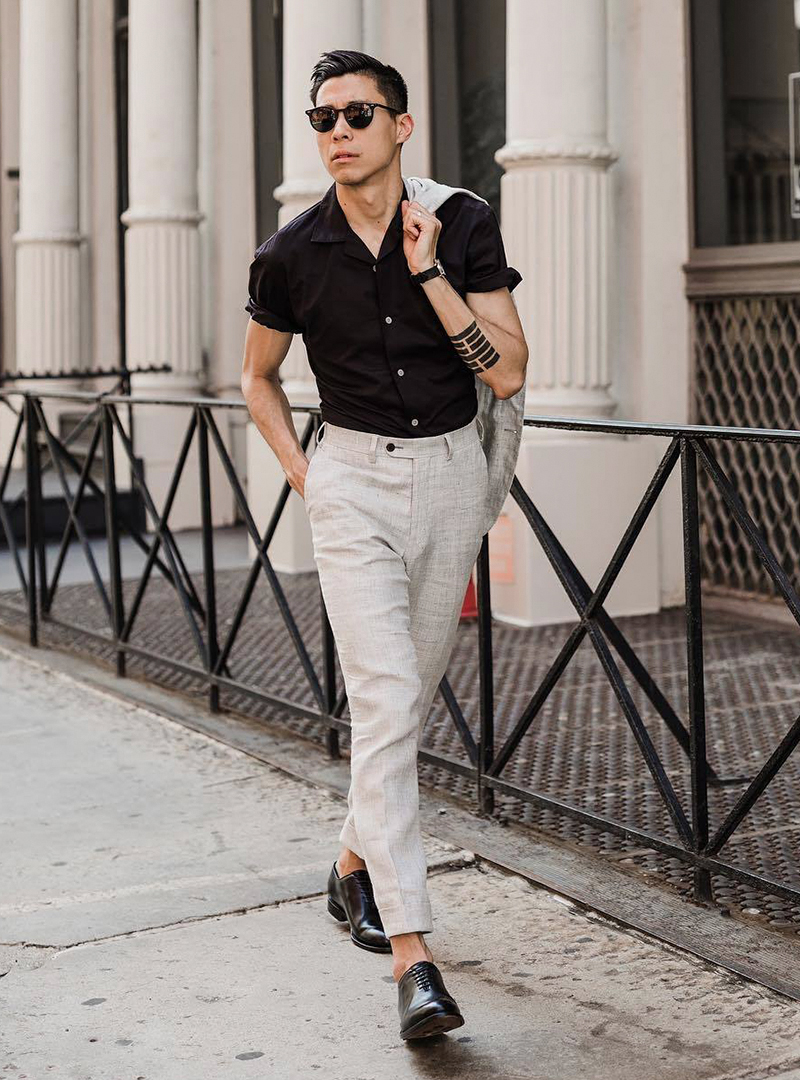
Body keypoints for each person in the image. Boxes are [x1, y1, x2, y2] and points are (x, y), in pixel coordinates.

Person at [241, 49, 527, 1041]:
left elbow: (505, 371)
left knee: (405, 704)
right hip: (350, 478)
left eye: (356, 113)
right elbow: (258, 380)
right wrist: (306, 474)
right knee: (388, 698)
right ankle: (411, 957)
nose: (335, 131)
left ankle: (352, 859)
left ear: (400, 126)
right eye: (321, 118)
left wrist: (428, 272)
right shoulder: (289, 252)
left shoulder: (461, 221)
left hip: (449, 475)